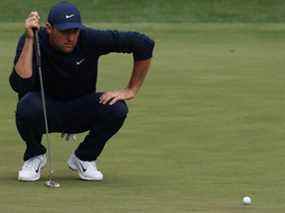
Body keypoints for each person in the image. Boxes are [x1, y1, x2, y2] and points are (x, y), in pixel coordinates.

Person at [9, 1, 154, 182]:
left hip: (80, 108)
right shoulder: (32, 40)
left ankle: (84, 157)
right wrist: (30, 39)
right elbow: (19, 84)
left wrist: (131, 90)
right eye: (64, 32)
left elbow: (143, 44)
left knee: (117, 108)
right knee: (26, 105)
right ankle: (35, 155)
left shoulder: (89, 38)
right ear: (49, 28)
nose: (70, 38)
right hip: (45, 111)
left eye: (74, 31)